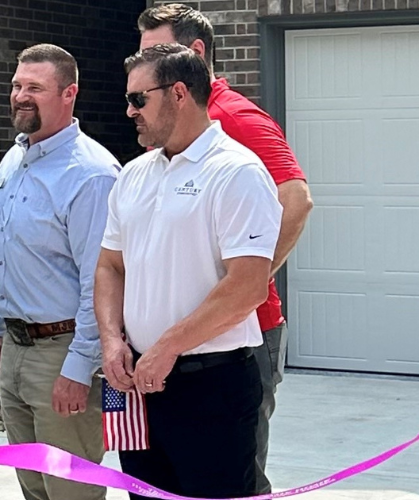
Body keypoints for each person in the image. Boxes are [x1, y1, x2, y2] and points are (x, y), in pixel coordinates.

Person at [135, 5, 313, 490]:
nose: (140, 65)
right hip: (172, 346)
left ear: (193, 53)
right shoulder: (162, 127)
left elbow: (296, 197)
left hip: (235, 340)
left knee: (235, 479)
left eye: (153, 53)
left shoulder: (232, 116)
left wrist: (248, 281)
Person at [97, 44, 280, 500]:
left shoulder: (236, 172)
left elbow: (247, 287)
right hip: (139, 382)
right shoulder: (133, 174)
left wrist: (168, 347)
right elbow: (109, 264)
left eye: (139, 99)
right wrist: (111, 338)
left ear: (179, 93)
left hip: (211, 386)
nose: (128, 110)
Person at [0, 43, 117, 500]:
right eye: (17, 85)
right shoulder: (14, 158)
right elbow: (1, 250)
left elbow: (101, 282)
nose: (20, 95)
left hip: (62, 351)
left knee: (70, 492)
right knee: (34, 488)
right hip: (15, 352)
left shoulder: (91, 175)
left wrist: (79, 368)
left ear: (69, 94)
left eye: (34, 87)